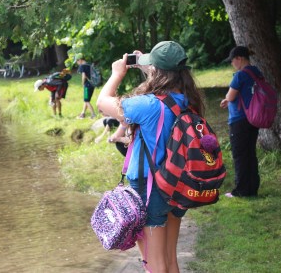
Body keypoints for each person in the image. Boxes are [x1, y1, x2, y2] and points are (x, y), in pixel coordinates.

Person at [97, 41, 204, 272]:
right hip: (178, 184)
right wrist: (149, 68)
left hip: (150, 187)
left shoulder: (147, 105)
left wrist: (117, 74)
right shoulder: (188, 101)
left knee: (154, 265)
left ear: (156, 72)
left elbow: (102, 102)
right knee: (169, 260)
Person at [220, 46, 260, 198]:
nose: (232, 64)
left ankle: (241, 191)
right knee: (250, 153)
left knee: (240, 155)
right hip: (253, 118)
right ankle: (252, 189)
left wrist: (227, 98)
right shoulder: (256, 72)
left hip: (239, 120)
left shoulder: (240, 75)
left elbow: (230, 96)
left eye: (232, 61)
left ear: (239, 58)